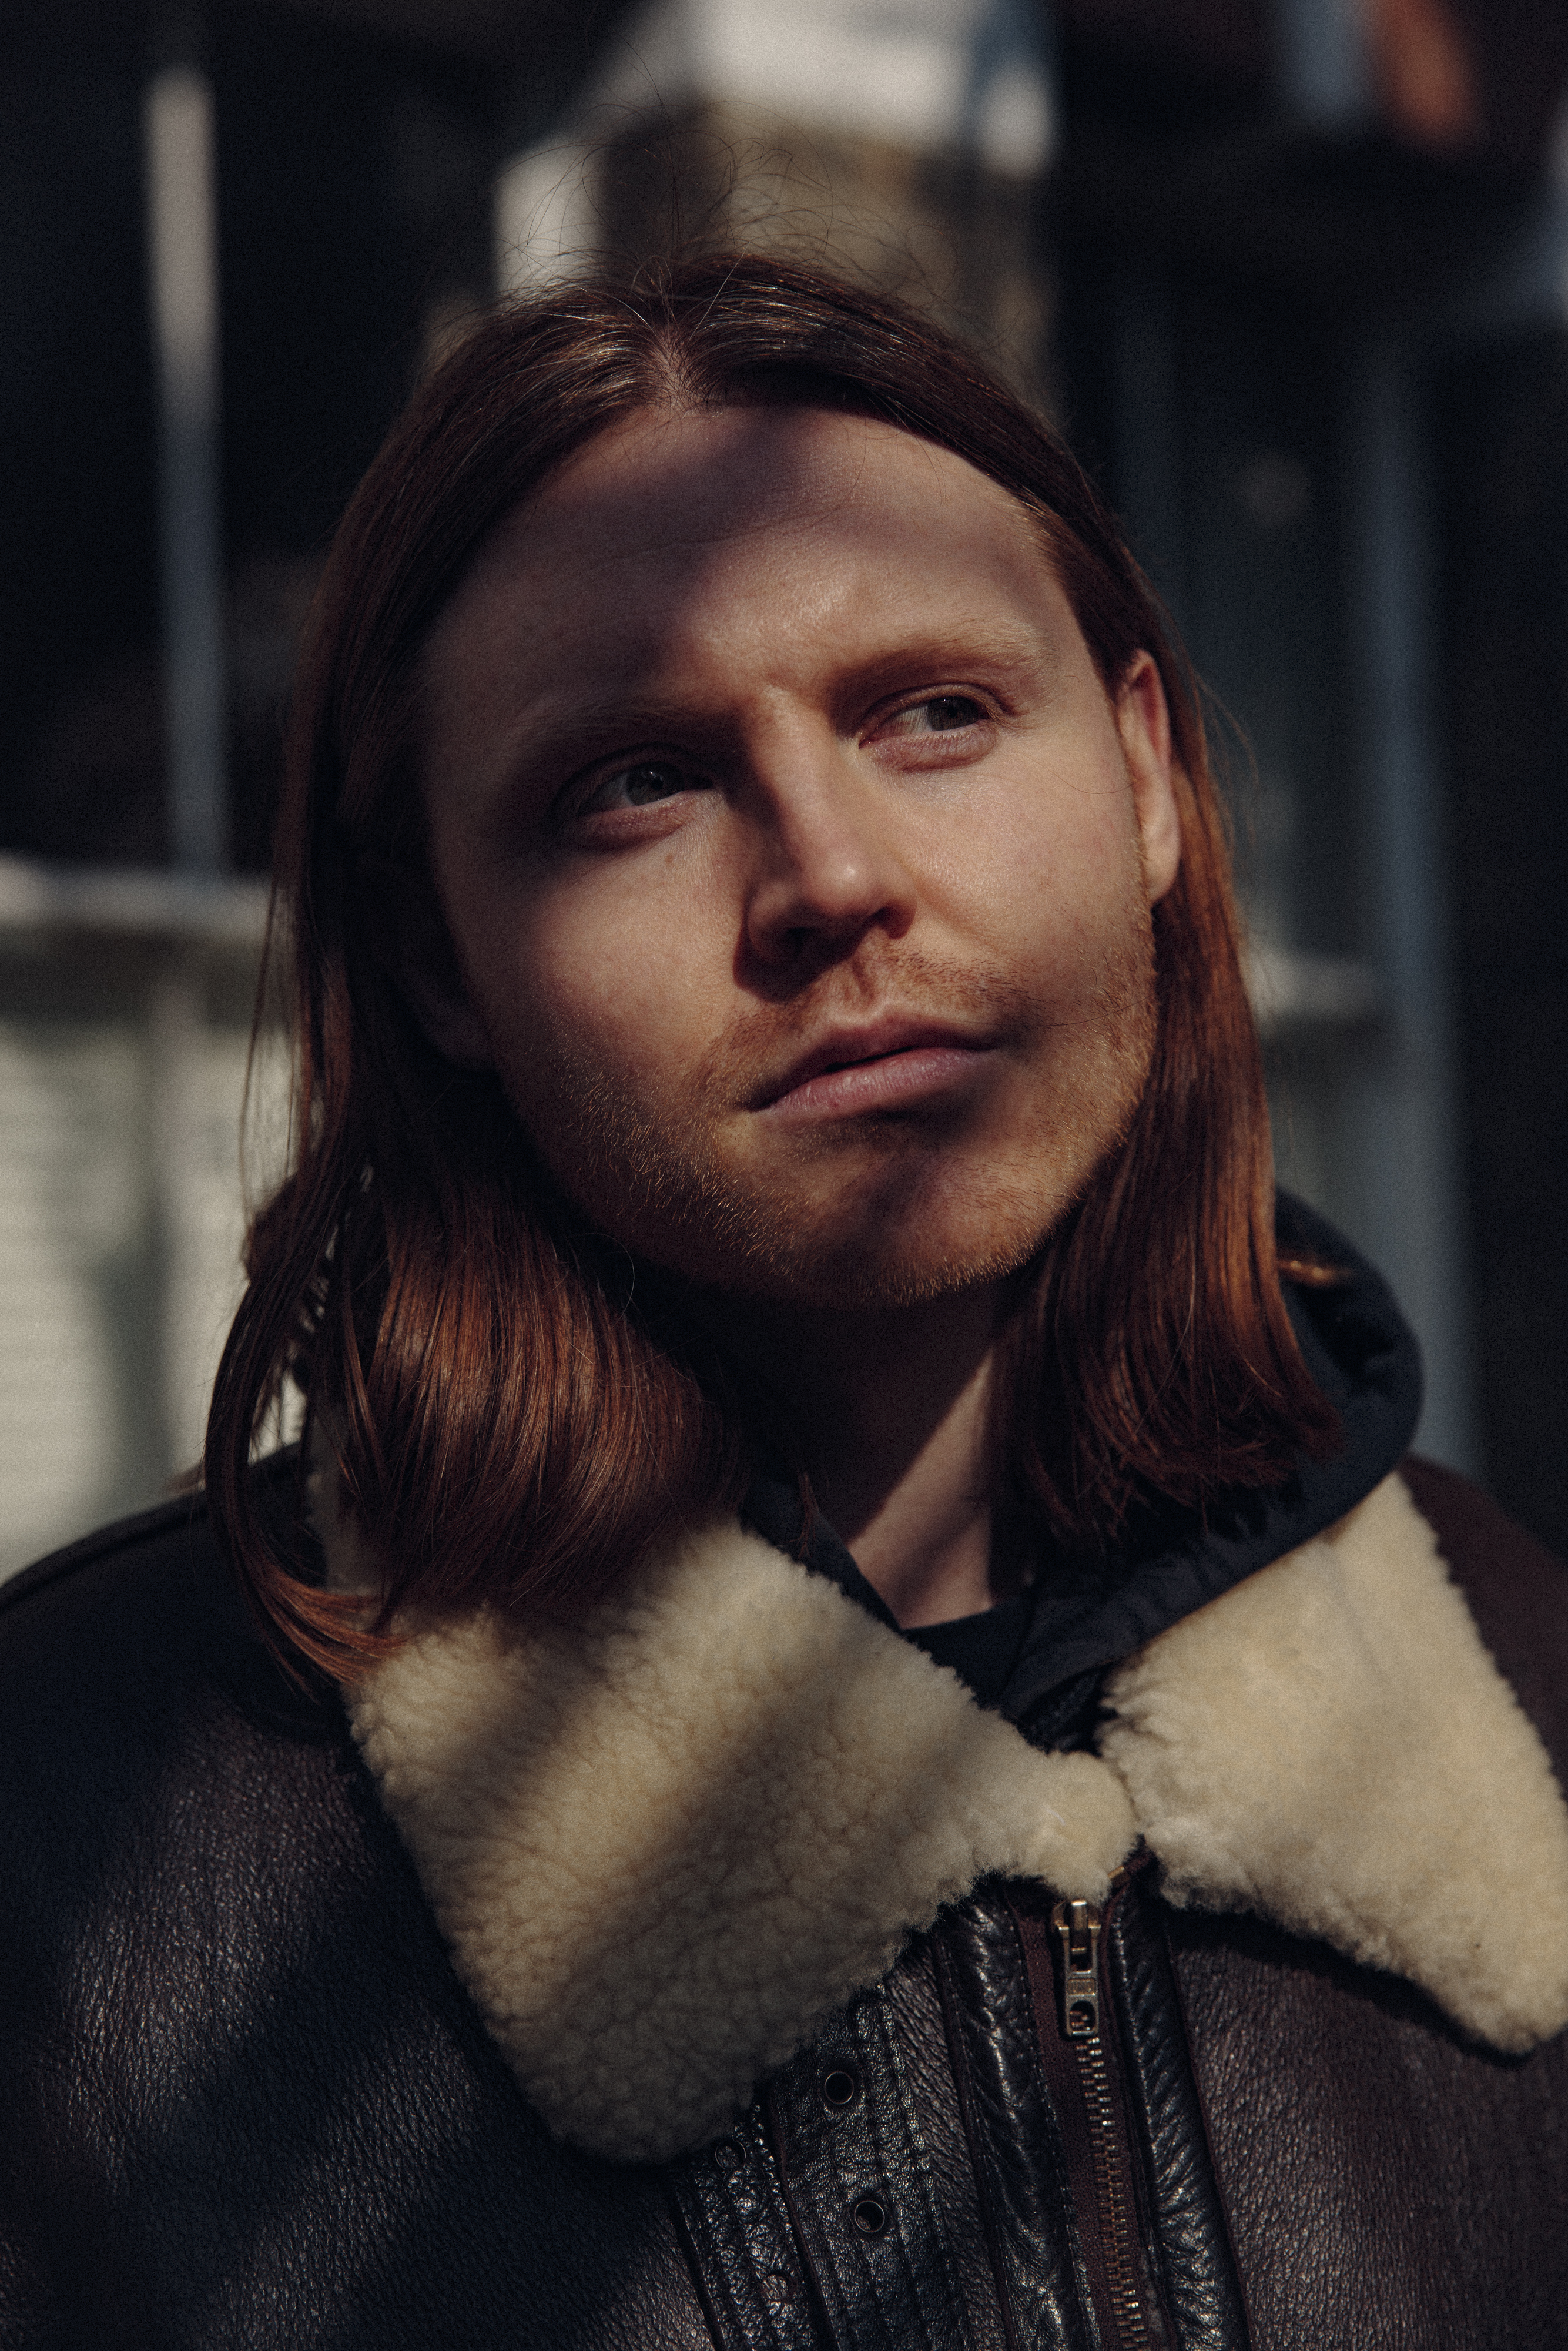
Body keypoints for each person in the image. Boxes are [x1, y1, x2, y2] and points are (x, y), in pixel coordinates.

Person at [2, 254, 1566, 2350]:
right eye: (632, 783)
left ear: (1147, 780)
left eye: (933, 710)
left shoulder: (1519, 1669)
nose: (829, 874)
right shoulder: (77, 1824)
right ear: (445, 961)